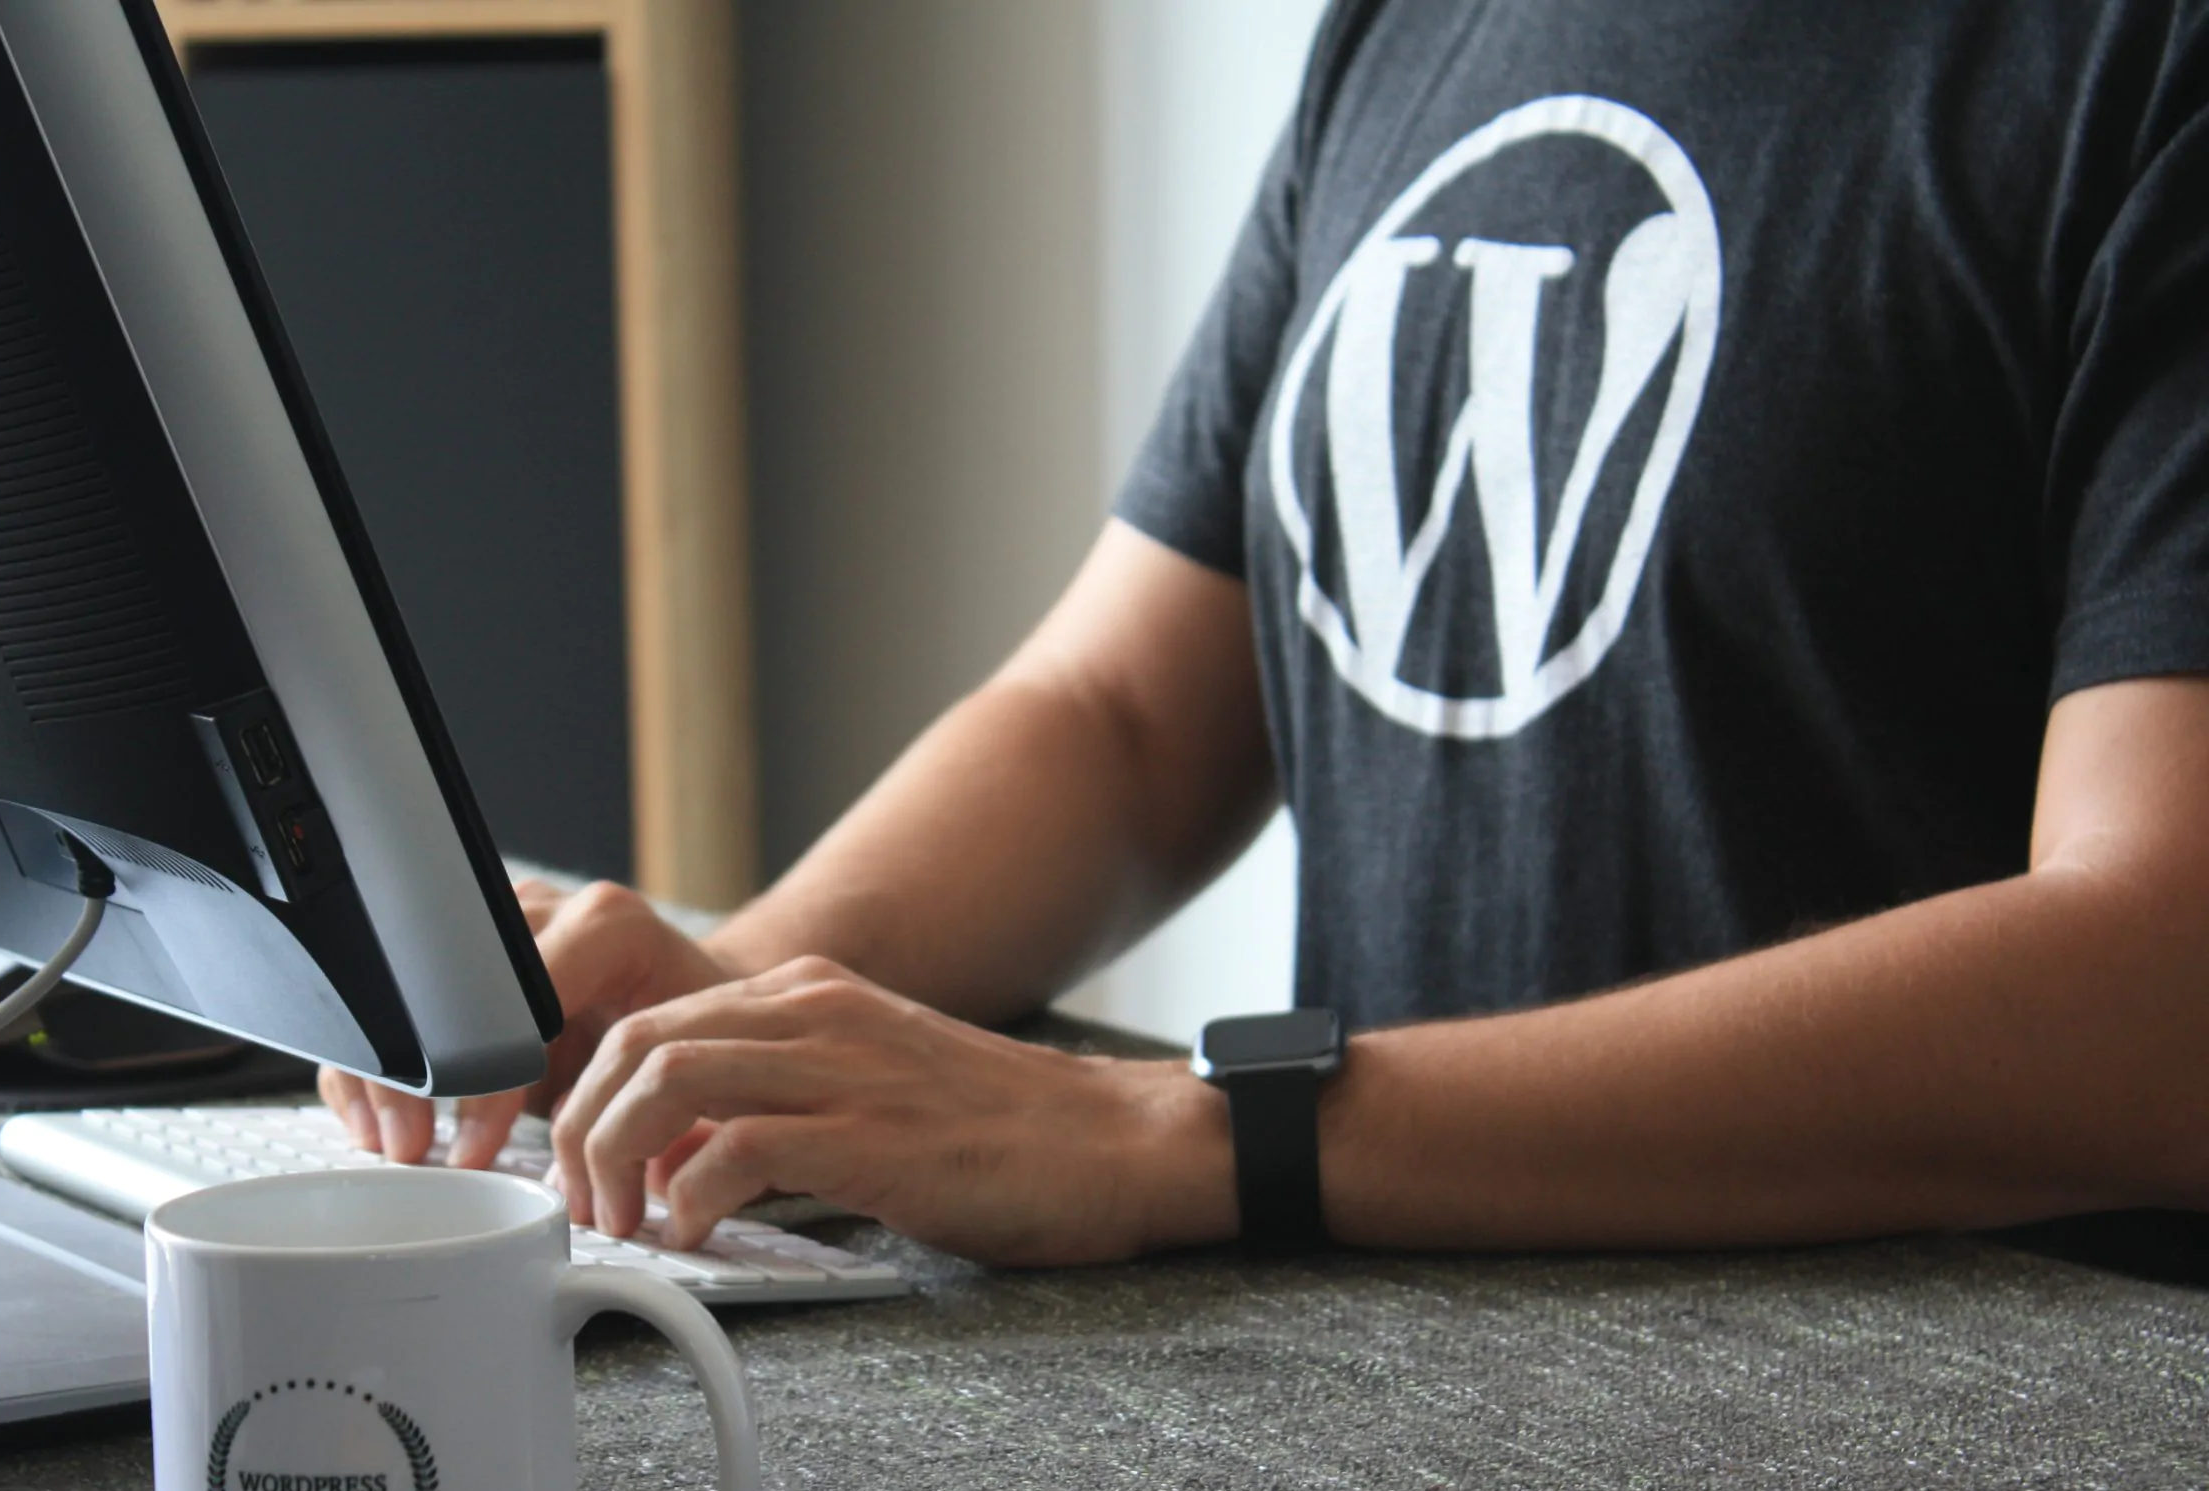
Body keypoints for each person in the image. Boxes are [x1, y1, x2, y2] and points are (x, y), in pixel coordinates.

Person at [324, 0, 2209, 1267]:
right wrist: (734, 1011)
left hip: (1938, 1465)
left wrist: (1200, 1134)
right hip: (1415, 1380)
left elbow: (2162, 983)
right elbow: (1130, 708)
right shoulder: (1412, 25)